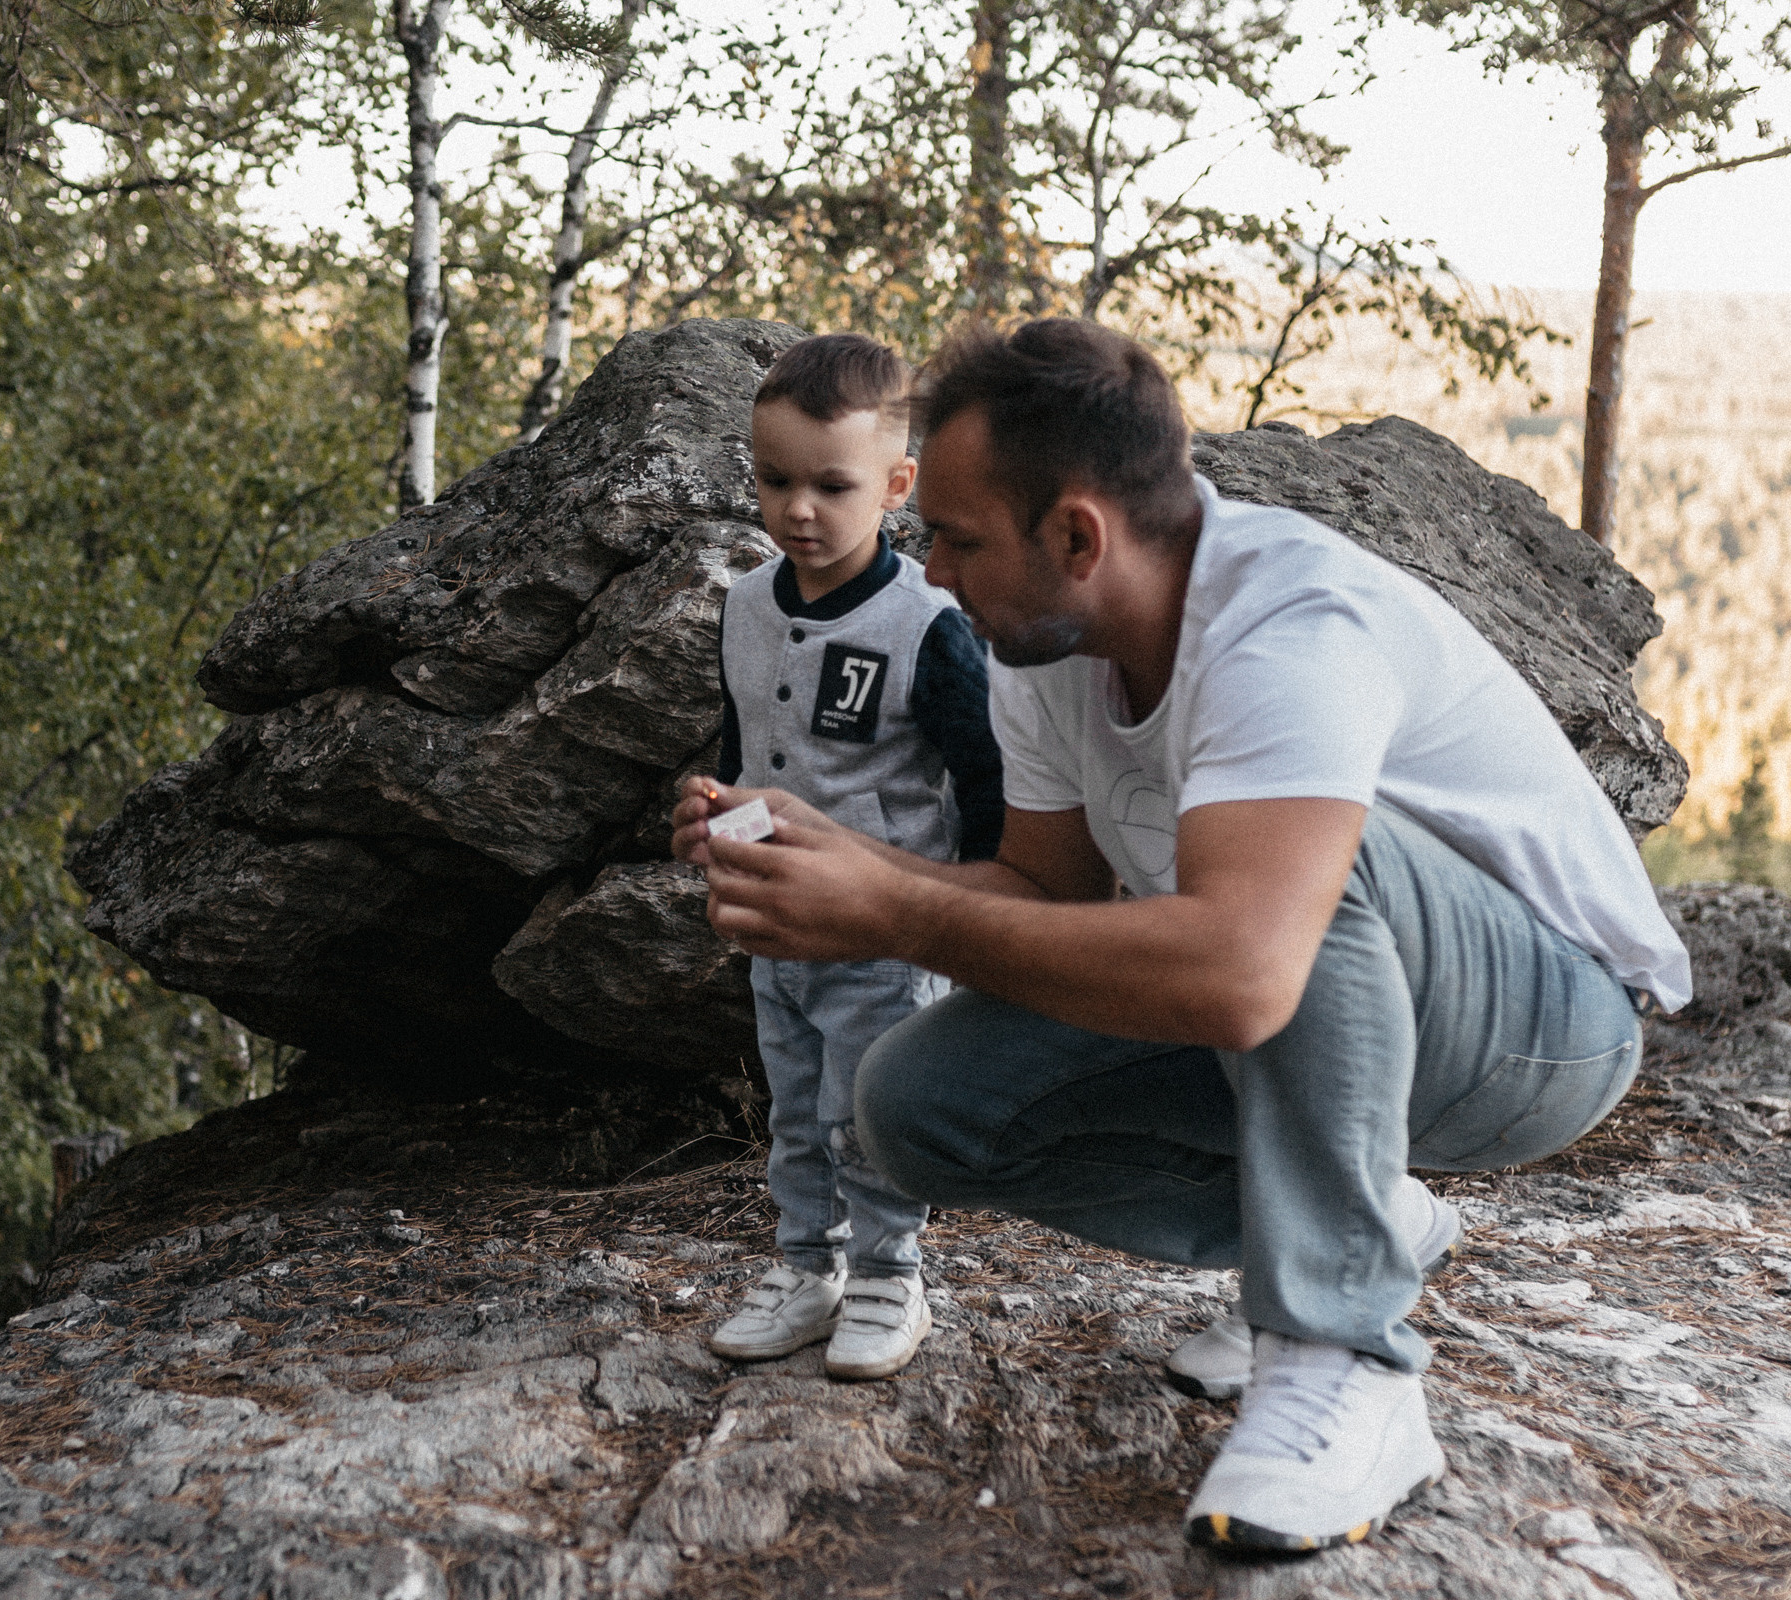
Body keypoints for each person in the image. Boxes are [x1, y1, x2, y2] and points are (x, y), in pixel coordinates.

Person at [673, 318, 1689, 1552]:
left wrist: (893, 907)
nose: (929, 570)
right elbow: (1041, 899)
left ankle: (1345, 1354)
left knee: (1304, 871)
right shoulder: (1043, 638)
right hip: (1322, 1013)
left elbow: (1249, 969)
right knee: (921, 1103)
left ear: (1078, 535)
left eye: (955, 537)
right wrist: (838, 858)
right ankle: (1358, 1213)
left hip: (1540, 1029)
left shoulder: (1287, 622)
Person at [700, 333, 1007, 1382]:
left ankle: (888, 1272)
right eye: (775, 479)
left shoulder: (928, 623)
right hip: (778, 928)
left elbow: (986, 782)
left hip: (882, 928)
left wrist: (971, 914)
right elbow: (747, 752)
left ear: (898, 482)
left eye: (833, 485)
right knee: (792, 1106)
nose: (798, 510)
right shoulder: (745, 607)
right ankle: (805, 1266)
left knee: (863, 1109)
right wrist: (721, 839)